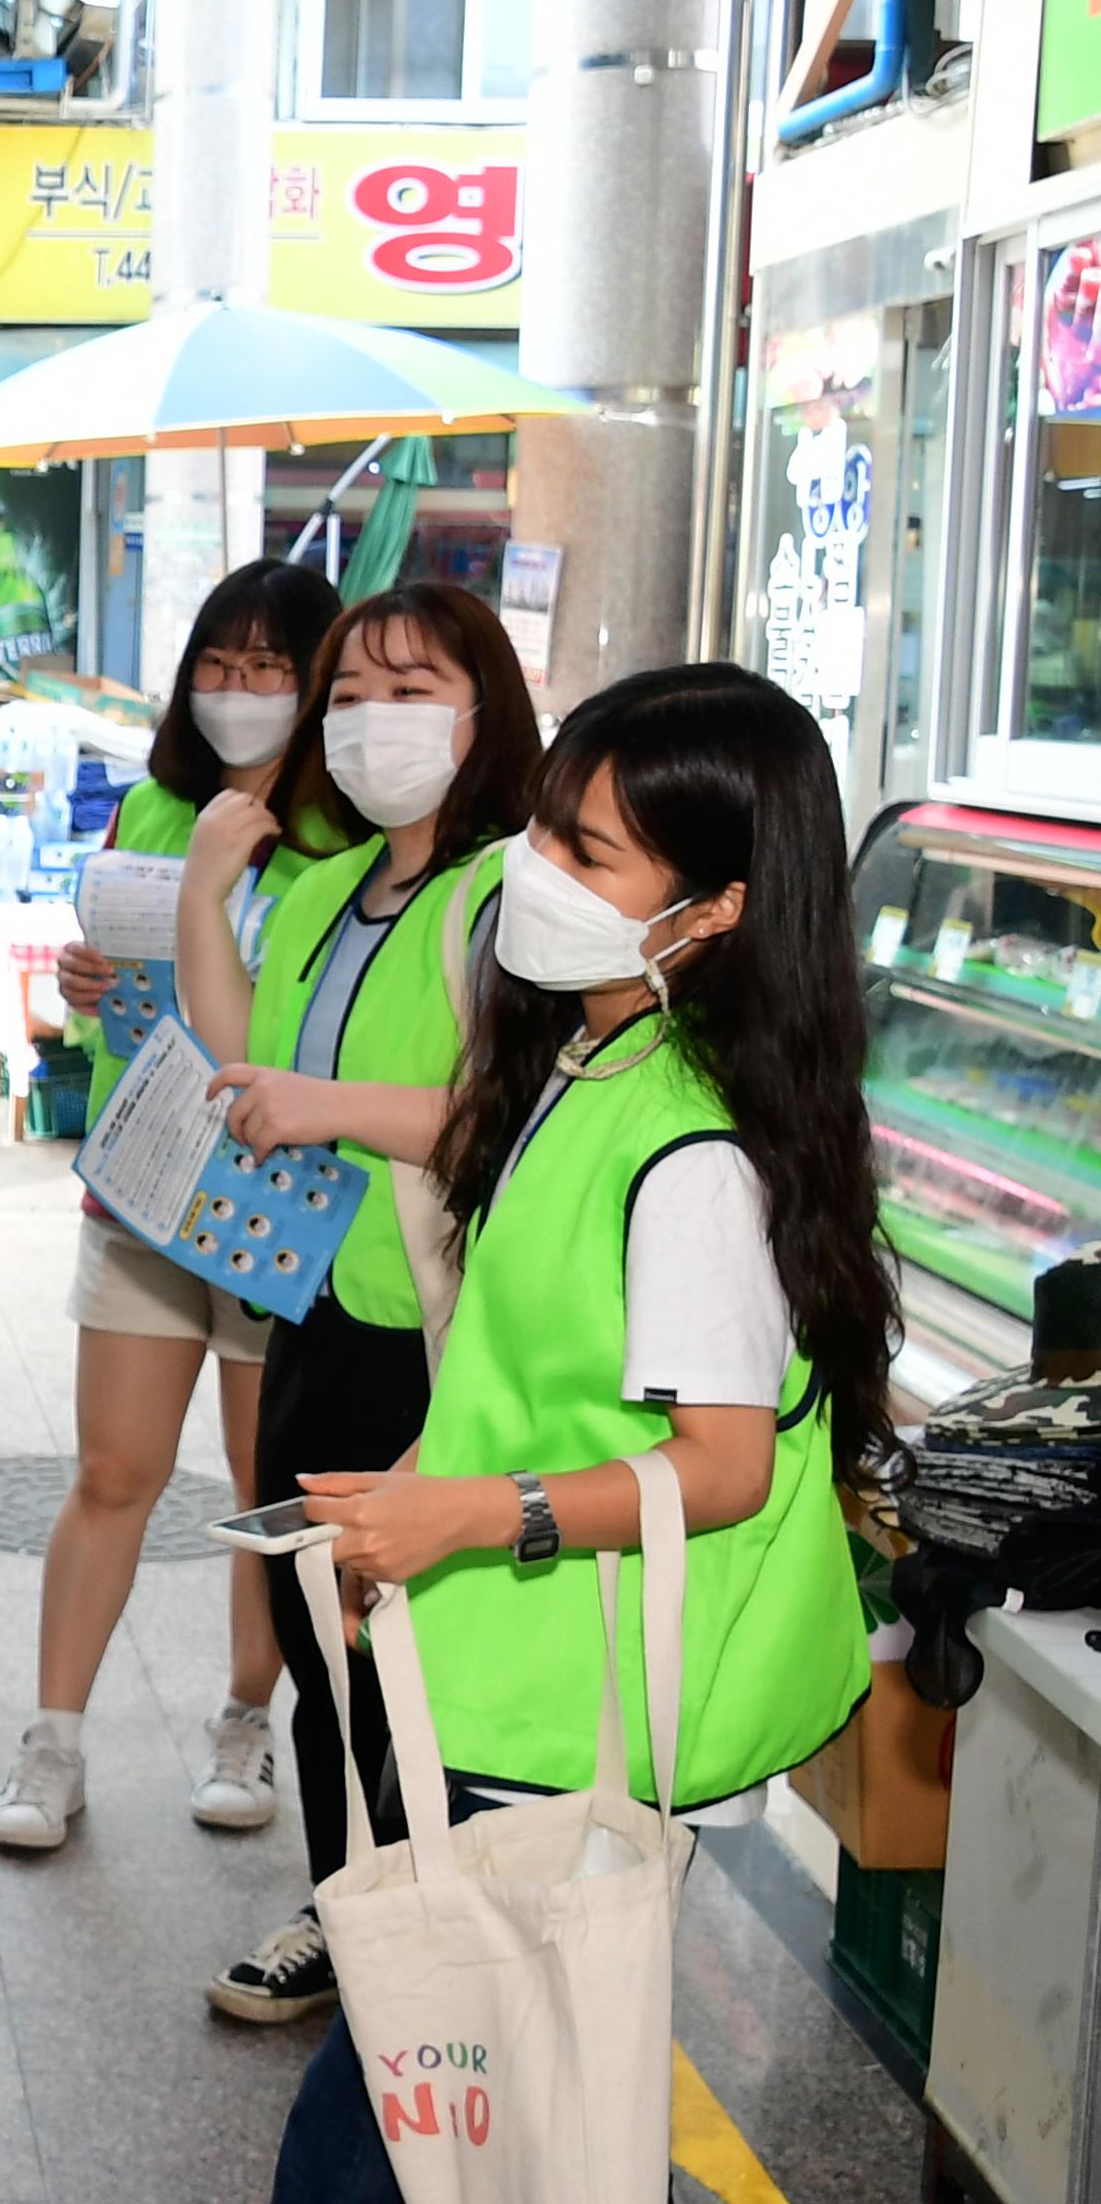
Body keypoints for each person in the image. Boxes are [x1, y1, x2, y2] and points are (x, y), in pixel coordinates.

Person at [269, 664, 884, 2199]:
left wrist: (465, 1521)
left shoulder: (691, 1158)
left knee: (387, 2140)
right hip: (499, 1679)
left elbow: (723, 1469)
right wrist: (403, 1503)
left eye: (589, 855)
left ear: (717, 910)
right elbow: (522, 1366)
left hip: (567, 1714)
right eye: (545, 830)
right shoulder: (586, 1059)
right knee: (441, 2122)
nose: (533, 875)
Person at [172, 578, 542, 2025]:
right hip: (309, 1309)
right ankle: (344, 1907)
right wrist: (209, 883)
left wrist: (321, 1102)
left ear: (484, 710)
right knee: (314, 1627)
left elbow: (508, 1116)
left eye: (411, 691)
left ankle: (413, 1929)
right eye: (353, 695)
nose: (370, 721)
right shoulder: (329, 888)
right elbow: (236, 1050)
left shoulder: (508, 892)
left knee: (402, 1652)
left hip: (435, 1336)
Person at [0, 560, 341, 1858]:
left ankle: (245, 1719)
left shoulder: (349, 845)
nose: (240, 695)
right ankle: (53, 1741)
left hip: (278, 1207)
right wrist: (87, 979)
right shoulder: (155, 804)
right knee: (113, 1470)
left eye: (271, 671)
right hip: (147, 1188)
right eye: (218, 668)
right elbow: (121, 1000)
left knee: (262, 1486)